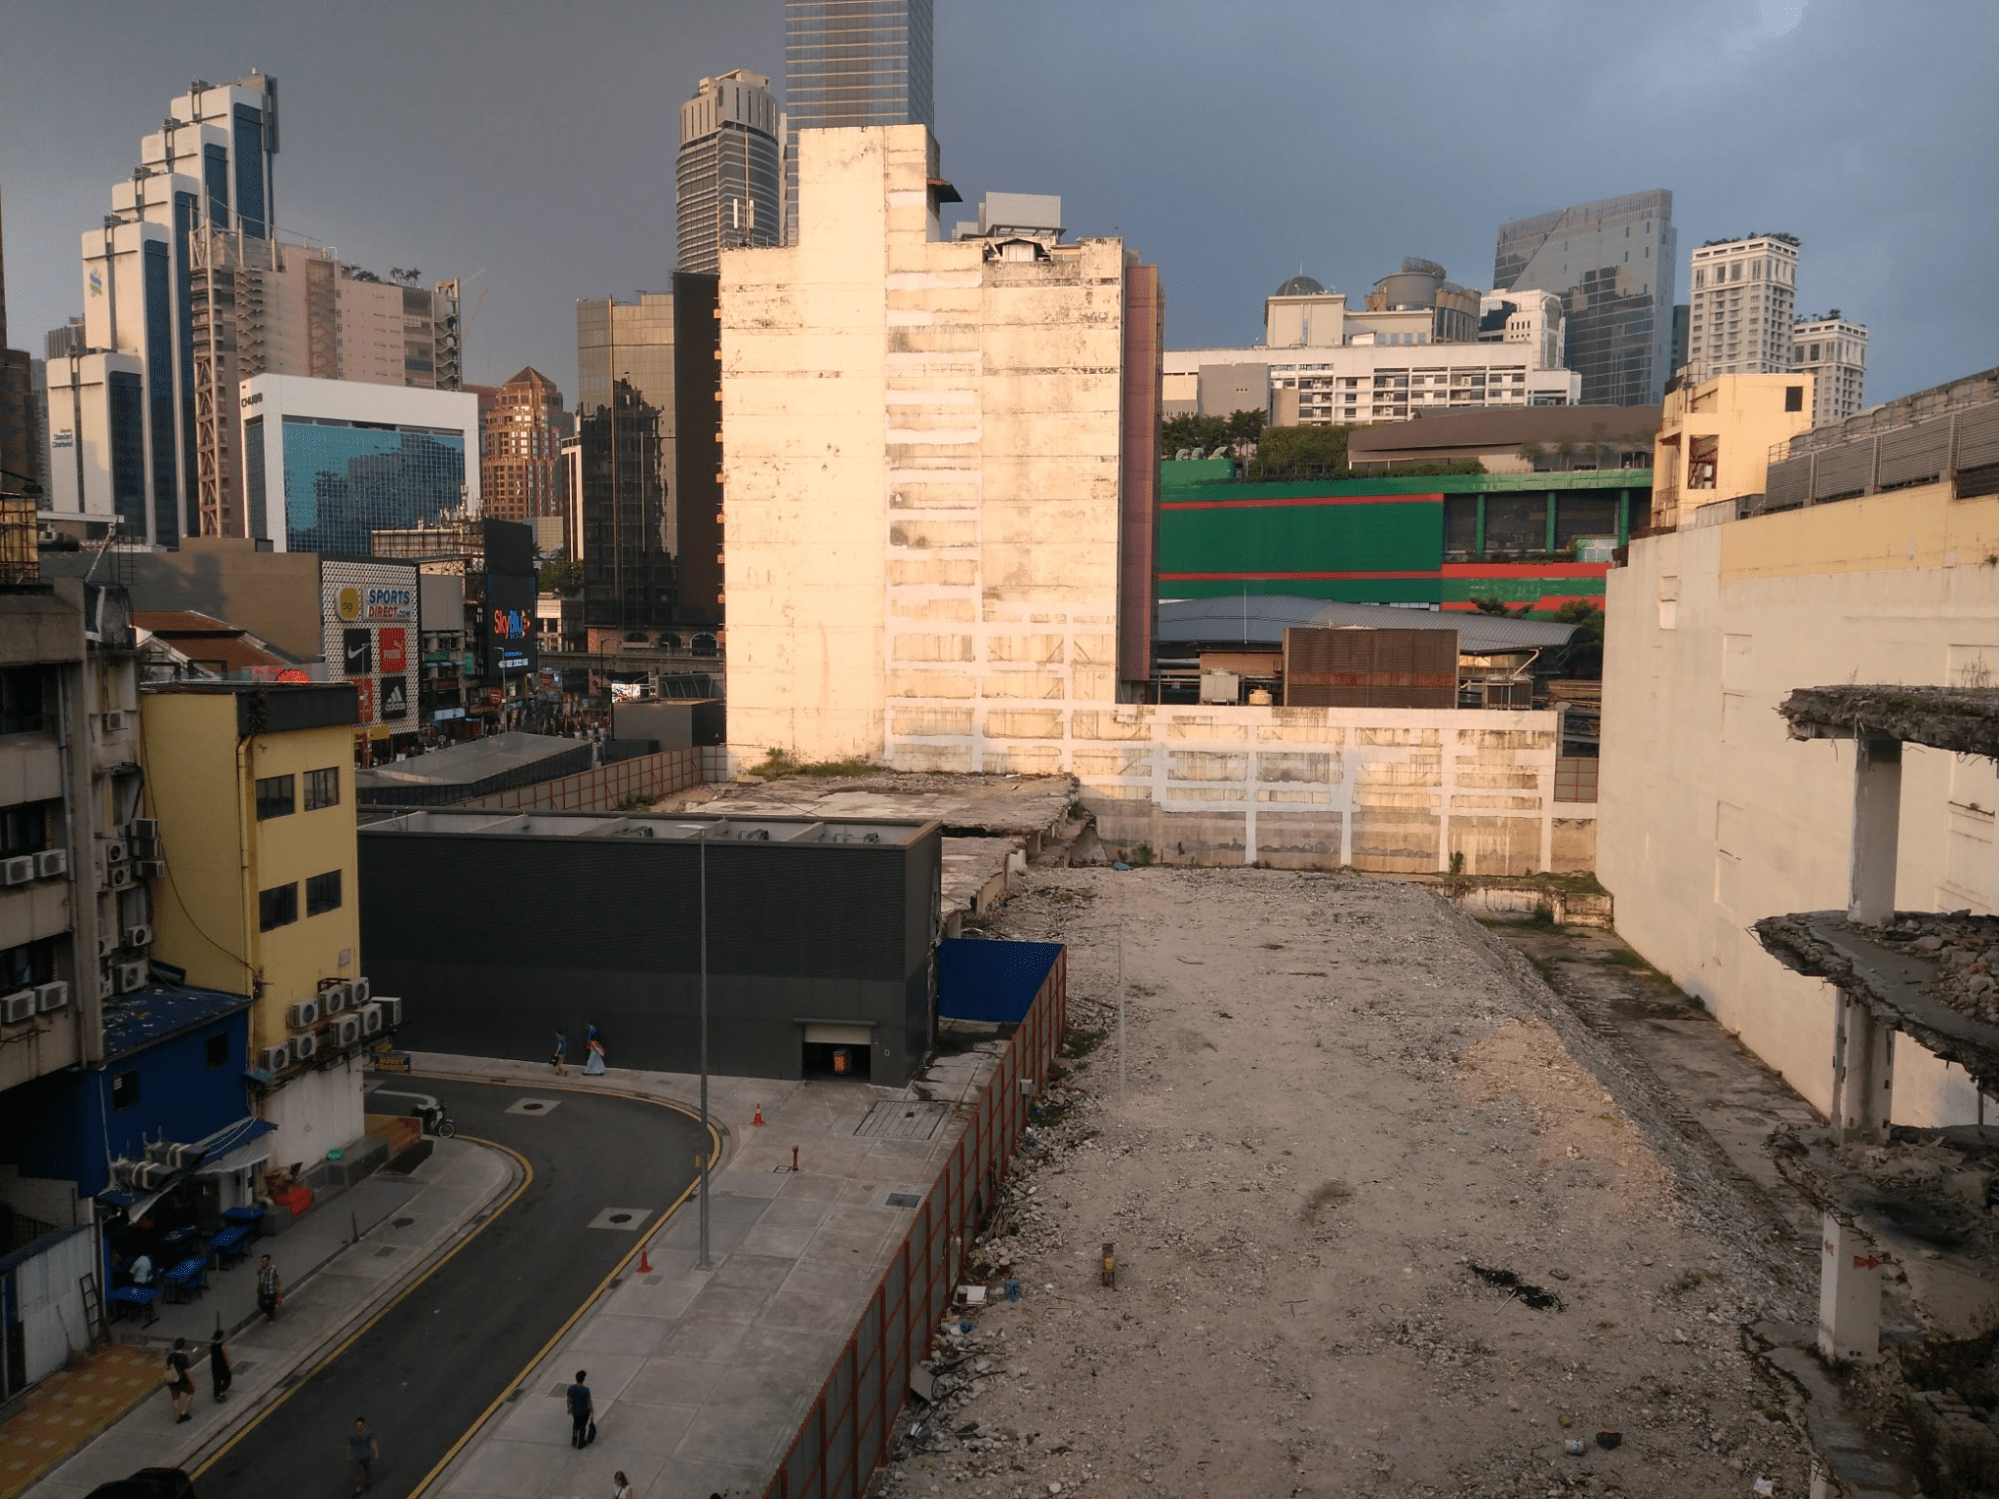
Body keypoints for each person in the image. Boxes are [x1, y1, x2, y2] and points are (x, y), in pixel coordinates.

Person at [164, 1338, 195, 1423]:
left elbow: (167, 1367)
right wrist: (192, 1381)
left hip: (171, 1381)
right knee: (191, 1392)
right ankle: (184, 1412)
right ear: (183, 1347)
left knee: (175, 1398)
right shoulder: (184, 1357)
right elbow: (187, 1372)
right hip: (182, 1380)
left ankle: (177, 1418)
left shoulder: (170, 1356)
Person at [347, 1416, 379, 1495]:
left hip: (366, 1456)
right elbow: (349, 1446)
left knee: (367, 1470)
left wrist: (376, 1453)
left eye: (360, 1425)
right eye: (357, 1425)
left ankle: (368, 1482)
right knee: (356, 1474)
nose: (359, 1427)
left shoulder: (368, 1433)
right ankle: (358, 1489)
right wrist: (349, 1455)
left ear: (364, 1425)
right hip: (356, 1456)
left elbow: (373, 1443)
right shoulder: (353, 1435)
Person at [565, 1370, 593, 1448]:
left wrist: (569, 1408)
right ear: (583, 1379)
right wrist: (591, 1410)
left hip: (575, 1411)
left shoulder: (571, 1389)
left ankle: (574, 1439)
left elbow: (568, 1400)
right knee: (582, 1426)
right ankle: (581, 1442)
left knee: (576, 1423)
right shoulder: (586, 1390)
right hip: (584, 1412)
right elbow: (589, 1402)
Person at [208, 1326, 233, 1402]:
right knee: (227, 1379)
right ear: (221, 1337)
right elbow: (225, 1357)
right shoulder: (223, 1346)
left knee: (216, 1381)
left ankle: (216, 1395)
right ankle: (221, 1392)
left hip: (214, 1366)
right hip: (222, 1366)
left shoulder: (212, 1345)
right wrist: (230, 1365)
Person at [257, 1254, 283, 1325]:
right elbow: (260, 1279)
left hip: (272, 1291)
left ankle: (271, 1317)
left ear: (268, 1261)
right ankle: (269, 1314)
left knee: (271, 1306)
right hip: (264, 1290)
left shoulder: (273, 1269)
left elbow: (278, 1280)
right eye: (262, 1261)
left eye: (264, 1261)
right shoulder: (260, 1270)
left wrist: (279, 1292)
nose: (262, 1263)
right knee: (261, 1304)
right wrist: (259, 1287)